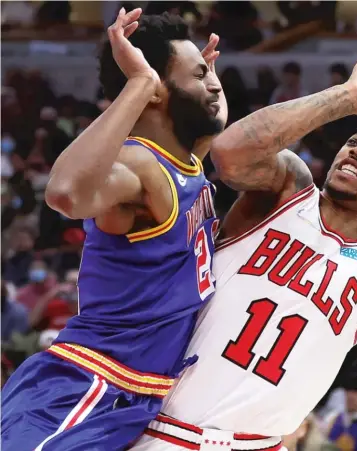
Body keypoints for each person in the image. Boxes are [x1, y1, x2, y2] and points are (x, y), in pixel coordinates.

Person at [133, 34, 357, 451]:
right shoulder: (288, 189)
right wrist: (347, 97)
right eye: (355, 141)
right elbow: (228, 153)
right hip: (160, 430)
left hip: (258, 444)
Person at [1, 9, 228, 451]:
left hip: (134, 395)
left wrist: (199, 80)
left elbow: (215, 126)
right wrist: (140, 84)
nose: (215, 84)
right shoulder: (140, 166)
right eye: (200, 74)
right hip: (87, 384)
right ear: (159, 92)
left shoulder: (189, 165)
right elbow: (64, 194)